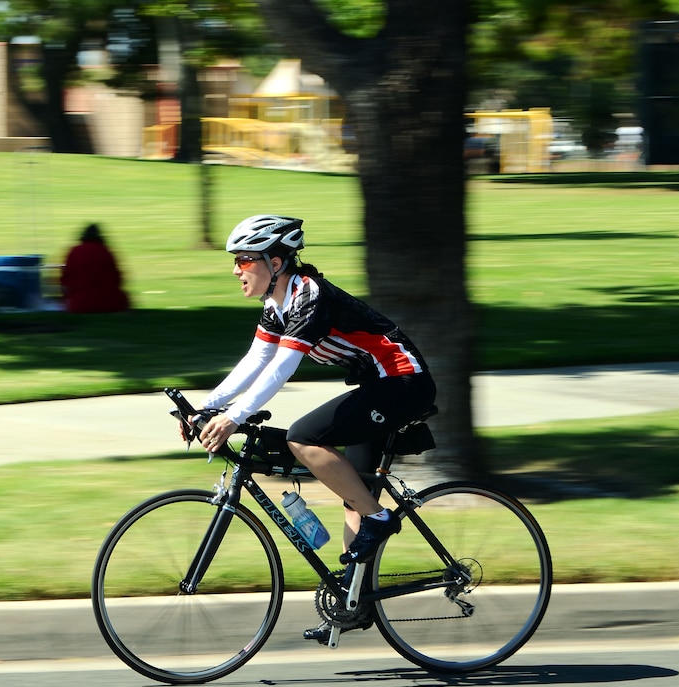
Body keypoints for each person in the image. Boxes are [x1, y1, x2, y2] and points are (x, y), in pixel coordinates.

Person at [190, 214, 436, 570]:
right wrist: (205, 407)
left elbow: (282, 367)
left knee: (303, 437)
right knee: (355, 497)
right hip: (377, 385)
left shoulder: (309, 296)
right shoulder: (277, 304)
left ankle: (382, 519)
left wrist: (233, 416)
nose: (236, 270)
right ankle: (353, 605)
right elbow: (257, 359)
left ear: (274, 263)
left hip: (402, 381)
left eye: (243, 260)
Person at [60, 223, 131, 313]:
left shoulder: (75, 251)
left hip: (80, 304)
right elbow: (118, 278)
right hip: (110, 303)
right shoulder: (106, 251)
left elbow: (65, 280)